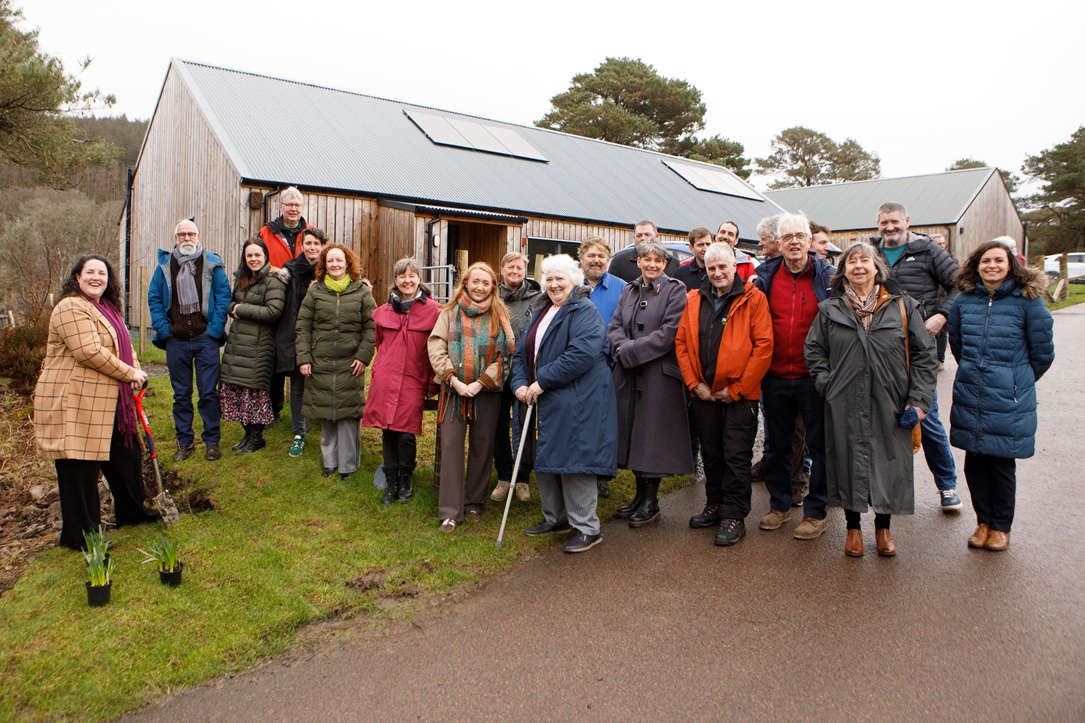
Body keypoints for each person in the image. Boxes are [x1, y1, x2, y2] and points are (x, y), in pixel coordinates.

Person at [805, 243, 937, 557]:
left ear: (877, 268)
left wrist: (918, 401)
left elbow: (924, 356)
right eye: (852, 262)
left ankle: (883, 528)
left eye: (865, 260)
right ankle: (852, 527)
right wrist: (827, 385)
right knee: (847, 460)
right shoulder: (830, 309)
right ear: (844, 272)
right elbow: (814, 351)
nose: (859, 266)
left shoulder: (903, 306)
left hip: (890, 400)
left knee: (888, 460)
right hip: (844, 401)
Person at [35, 255, 159, 550]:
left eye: (101, 273)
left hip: (110, 401)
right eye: (89, 272)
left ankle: (132, 513)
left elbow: (124, 347)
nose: (96, 277)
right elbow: (88, 351)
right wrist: (128, 373)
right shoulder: (70, 306)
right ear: (77, 277)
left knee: (126, 457)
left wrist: (134, 370)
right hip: (75, 400)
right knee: (80, 469)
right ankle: (80, 535)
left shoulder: (107, 309)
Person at [948, 241, 1054, 552]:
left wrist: (1016, 380)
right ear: (976, 265)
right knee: (974, 462)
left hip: (1008, 395)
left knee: (1000, 463)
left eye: (998, 260)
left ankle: (1001, 527)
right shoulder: (964, 301)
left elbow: (1042, 353)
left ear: (1010, 265)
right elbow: (957, 344)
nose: (991, 266)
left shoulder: (1028, 301)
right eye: (985, 261)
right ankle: (983, 522)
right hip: (971, 390)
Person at [513, 254, 617, 553]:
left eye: (560, 278)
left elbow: (581, 354)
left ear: (574, 281)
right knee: (546, 456)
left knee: (575, 461)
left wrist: (541, 380)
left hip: (577, 399)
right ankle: (555, 517)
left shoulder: (584, 310)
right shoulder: (540, 310)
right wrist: (519, 383)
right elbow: (521, 352)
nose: (554, 284)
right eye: (549, 279)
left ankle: (586, 528)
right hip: (543, 397)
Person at [675, 244, 772, 546]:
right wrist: (694, 384)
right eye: (711, 268)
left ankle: (734, 515)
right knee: (712, 453)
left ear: (734, 267)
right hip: (704, 394)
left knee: (736, 456)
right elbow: (681, 343)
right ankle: (714, 504)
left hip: (739, 395)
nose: (717, 273)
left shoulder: (754, 299)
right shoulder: (693, 299)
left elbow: (763, 347)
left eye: (722, 267)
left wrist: (738, 389)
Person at [870, 202, 963, 511]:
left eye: (895, 221)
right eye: (884, 222)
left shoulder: (928, 251)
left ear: (907, 221)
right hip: (882, 349)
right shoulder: (872, 252)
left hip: (917, 348)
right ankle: (889, 489)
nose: (889, 227)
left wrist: (941, 316)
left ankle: (947, 485)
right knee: (884, 419)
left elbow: (961, 285)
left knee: (926, 415)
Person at [752, 213, 834, 540]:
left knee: (819, 445)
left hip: (815, 376)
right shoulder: (766, 276)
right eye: (788, 237)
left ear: (810, 240)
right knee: (777, 445)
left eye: (800, 235)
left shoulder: (828, 277)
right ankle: (779, 504)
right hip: (775, 375)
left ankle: (816, 511)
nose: (794, 242)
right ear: (779, 243)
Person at [608, 238, 694, 527]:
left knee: (652, 437)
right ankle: (638, 496)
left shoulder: (675, 289)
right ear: (639, 262)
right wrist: (622, 346)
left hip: (658, 375)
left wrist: (630, 350)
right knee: (633, 433)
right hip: (629, 374)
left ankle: (651, 501)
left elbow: (670, 332)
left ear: (665, 264)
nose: (652, 265)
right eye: (647, 259)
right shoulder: (629, 289)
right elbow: (614, 326)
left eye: (658, 260)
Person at [428, 262, 514, 532]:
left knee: (482, 446)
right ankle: (450, 511)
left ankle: (474, 502)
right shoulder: (448, 312)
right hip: (452, 391)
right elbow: (436, 346)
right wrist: (453, 380)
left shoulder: (499, 315)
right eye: (475, 281)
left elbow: (505, 355)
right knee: (451, 446)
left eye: (486, 283)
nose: (480, 287)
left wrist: (479, 384)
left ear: (493, 287)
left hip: (486, 392)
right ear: (465, 283)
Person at [148, 219, 232, 462]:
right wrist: (164, 330)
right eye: (182, 234)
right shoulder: (165, 266)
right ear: (175, 238)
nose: (186, 238)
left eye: (191, 234)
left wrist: (214, 330)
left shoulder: (211, 263)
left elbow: (223, 296)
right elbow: (154, 298)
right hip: (176, 340)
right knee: (181, 395)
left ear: (198, 236)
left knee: (208, 393)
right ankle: (185, 443)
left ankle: (212, 442)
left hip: (206, 339)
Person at [362, 257, 441, 504]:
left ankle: (405, 479)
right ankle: (391, 482)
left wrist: (432, 382)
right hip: (386, 379)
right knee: (387, 430)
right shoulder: (384, 312)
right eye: (402, 276)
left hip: (413, 379)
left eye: (412, 275)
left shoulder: (434, 311)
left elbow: (436, 349)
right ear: (395, 280)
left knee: (406, 433)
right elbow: (380, 343)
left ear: (419, 279)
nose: (407, 280)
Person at [296, 244, 376, 479]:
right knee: (326, 413)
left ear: (348, 263)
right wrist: (304, 357)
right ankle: (329, 462)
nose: (335, 265)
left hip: (350, 363)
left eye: (339, 260)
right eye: (330, 261)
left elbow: (372, 327)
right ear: (324, 265)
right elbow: (303, 326)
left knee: (348, 415)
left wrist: (363, 356)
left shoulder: (362, 291)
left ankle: (348, 466)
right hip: (320, 361)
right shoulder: (315, 291)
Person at [218, 239, 288, 455]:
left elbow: (273, 312)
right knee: (238, 392)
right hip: (238, 344)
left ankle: (257, 437)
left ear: (265, 256)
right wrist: (235, 308)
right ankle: (247, 435)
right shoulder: (242, 278)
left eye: (257, 255)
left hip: (259, 345)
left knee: (254, 394)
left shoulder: (274, 280)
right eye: (249, 255)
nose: (253, 259)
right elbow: (230, 304)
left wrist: (241, 309)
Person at [260, 187, 315, 422]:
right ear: (280, 207)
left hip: (303, 298)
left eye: (297, 205)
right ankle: (274, 407)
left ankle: (304, 409)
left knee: (301, 354)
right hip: (276, 295)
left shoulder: (310, 231)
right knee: (274, 355)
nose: (293, 209)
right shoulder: (266, 232)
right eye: (289, 204)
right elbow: (259, 261)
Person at [491, 252, 541, 503]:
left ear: (525, 271)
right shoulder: (491, 296)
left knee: (523, 426)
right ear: (501, 269)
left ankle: (522, 479)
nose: (515, 271)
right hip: (496, 372)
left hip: (524, 373)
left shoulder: (536, 298)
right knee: (497, 425)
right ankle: (503, 475)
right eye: (510, 267)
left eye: (519, 267)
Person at [280, 227, 327, 457]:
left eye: (317, 243)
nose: (312, 248)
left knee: (322, 382)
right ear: (301, 245)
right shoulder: (290, 270)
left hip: (324, 335)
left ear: (323, 246)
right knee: (298, 384)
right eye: (308, 243)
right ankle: (299, 432)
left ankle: (324, 424)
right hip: (298, 334)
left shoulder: (330, 270)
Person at [579, 237, 624, 327]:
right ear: (581, 259)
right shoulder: (570, 285)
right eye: (591, 256)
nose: (596, 260)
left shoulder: (623, 288)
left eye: (601, 256)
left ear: (608, 260)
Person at [930, 234, 950, 371]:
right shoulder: (929, 259)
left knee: (942, 332)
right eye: (938, 244)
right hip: (932, 300)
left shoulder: (949, 260)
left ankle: (940, 359)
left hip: (943, 301)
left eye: (943, 243)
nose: (941, 246)